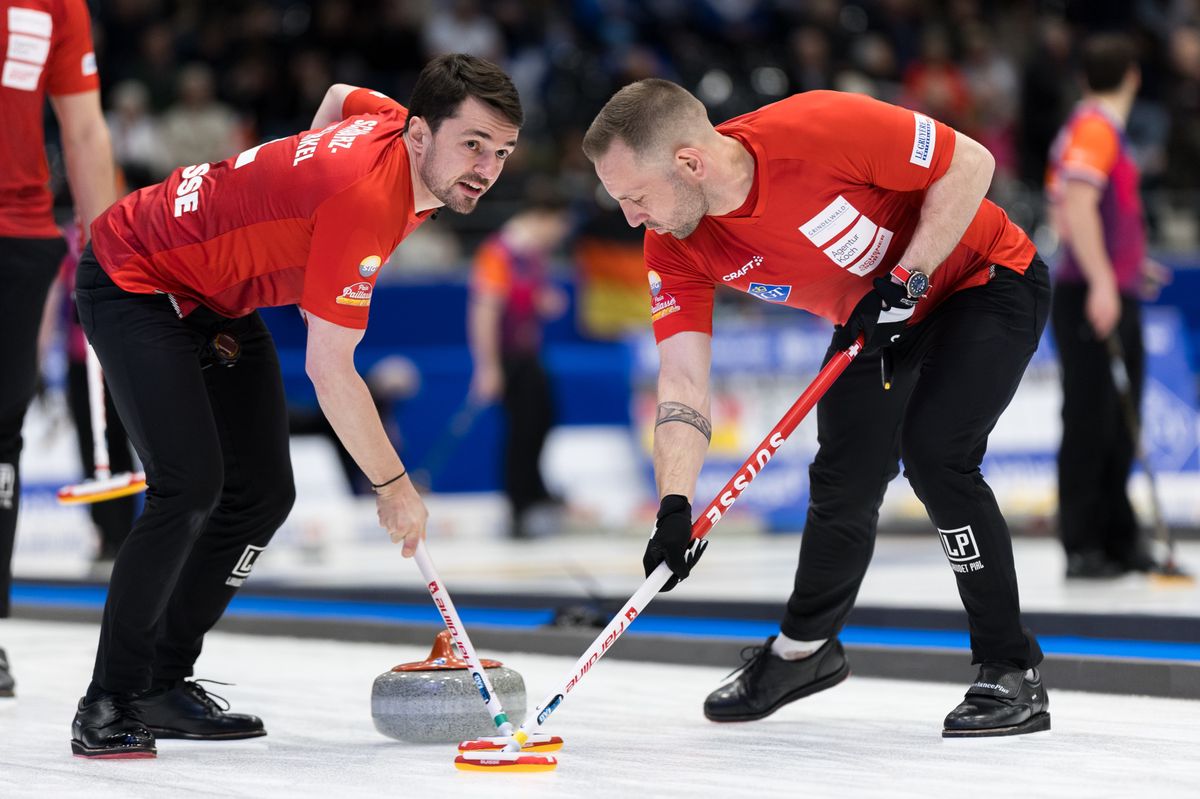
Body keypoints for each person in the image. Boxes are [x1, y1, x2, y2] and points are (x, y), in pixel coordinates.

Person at [70, 53, 522, 759]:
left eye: (502, 151)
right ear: (419, 134)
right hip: (135, 273)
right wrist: (394, 487)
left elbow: (341, 94)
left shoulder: (387, 123)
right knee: (188, 485)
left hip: (215, 291)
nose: (487, 168)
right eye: (472, 145)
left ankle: (162, 680)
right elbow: (329, 370)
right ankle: (108, 699)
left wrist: (287, 193)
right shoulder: (366, 202)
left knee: (263, 493)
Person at [583, 79, 1051, 738]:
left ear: (688, 163)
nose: (631, 218)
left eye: (635, 197)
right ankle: (804, 653)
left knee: (935, 452)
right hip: (876, 319)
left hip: (979, 279)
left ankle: (1011, 669)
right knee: (843, 478)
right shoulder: (675, 241)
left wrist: (908, 276)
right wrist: (674, 505)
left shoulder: (818, 127)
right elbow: (682, 379)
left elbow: (972, 162)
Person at [0, 0, 116, 700]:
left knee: (0, 441)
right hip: (21, 236)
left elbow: (84, 126)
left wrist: (107, 258)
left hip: (20, 232)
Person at [1046, 35, 1161, 579]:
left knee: (1116, 417)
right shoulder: (1094, 128)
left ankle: (1118, 536)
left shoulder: (1090, 127)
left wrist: (1127, 266)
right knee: (1093, 416)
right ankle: (1085, 542)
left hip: (1108, 286)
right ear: (1133, 76)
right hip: (1091, 294)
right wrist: (1101, 281)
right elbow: (1075, 202)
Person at [467, 199, 571, 537]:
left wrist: (545, 301)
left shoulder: (532, 253)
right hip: (506, 356)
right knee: (520, 429)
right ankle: (518, 504)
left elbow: (530, 296)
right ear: (544, 216)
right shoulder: (499, 253)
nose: (561, 236)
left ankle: (536, 490)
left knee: (543, 417)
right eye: (560, 227)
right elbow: (484, 312)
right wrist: (487, 367)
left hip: (529, 353)